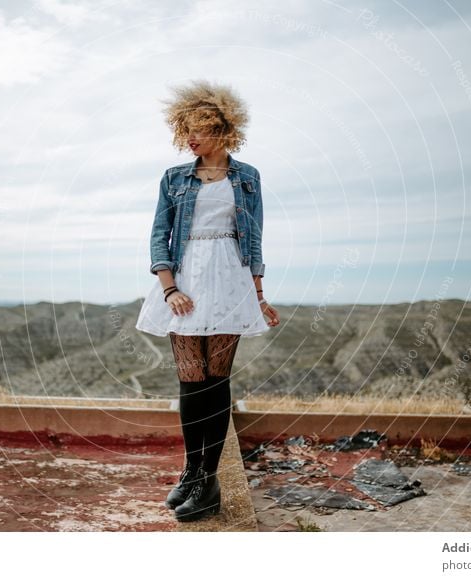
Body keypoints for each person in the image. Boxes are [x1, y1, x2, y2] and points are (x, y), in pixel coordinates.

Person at [135, 80, 280, 522]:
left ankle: (208, 482)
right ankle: (193, 470)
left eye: (199, 128)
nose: (190, 139)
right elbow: (160, 235)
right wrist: (169, 287)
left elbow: (253, 239)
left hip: (229, 279)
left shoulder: (247, 177)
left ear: (223, 129)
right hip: (187, 277)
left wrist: (258, 295)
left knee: (216, 382)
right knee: (189, 380)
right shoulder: (174, 178)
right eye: (185, 131)